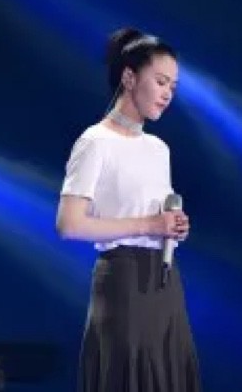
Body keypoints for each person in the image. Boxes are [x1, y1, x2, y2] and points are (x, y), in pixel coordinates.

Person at [56, 27, 201, 392]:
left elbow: (153, 218)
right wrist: (150, 224)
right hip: (124, 284)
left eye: (173, 87)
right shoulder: (95, 142)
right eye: (161, 82)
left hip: (166, 282)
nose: (167, 94)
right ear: (129, 77)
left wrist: (172, 227)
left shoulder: (158, 149)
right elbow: (70, 224)